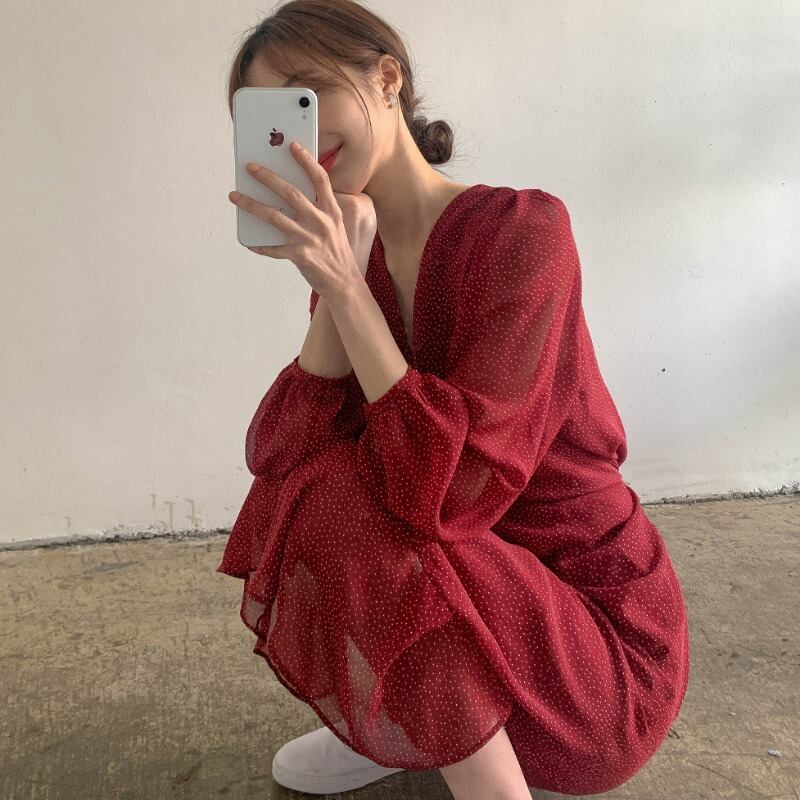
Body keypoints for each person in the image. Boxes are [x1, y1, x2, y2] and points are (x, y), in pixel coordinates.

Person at [217, 1, 691, 798]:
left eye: (308, 93)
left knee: (349, 501)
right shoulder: (353, 260)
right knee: (321, 485)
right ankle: (412, 718)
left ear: (387, 78)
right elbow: (282, 461)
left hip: (595, 644)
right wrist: (340, 282)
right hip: (469, 602)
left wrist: (345, 288)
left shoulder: (524, 231)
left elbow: (460, 490)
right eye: (270, 119)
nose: (297, 136)